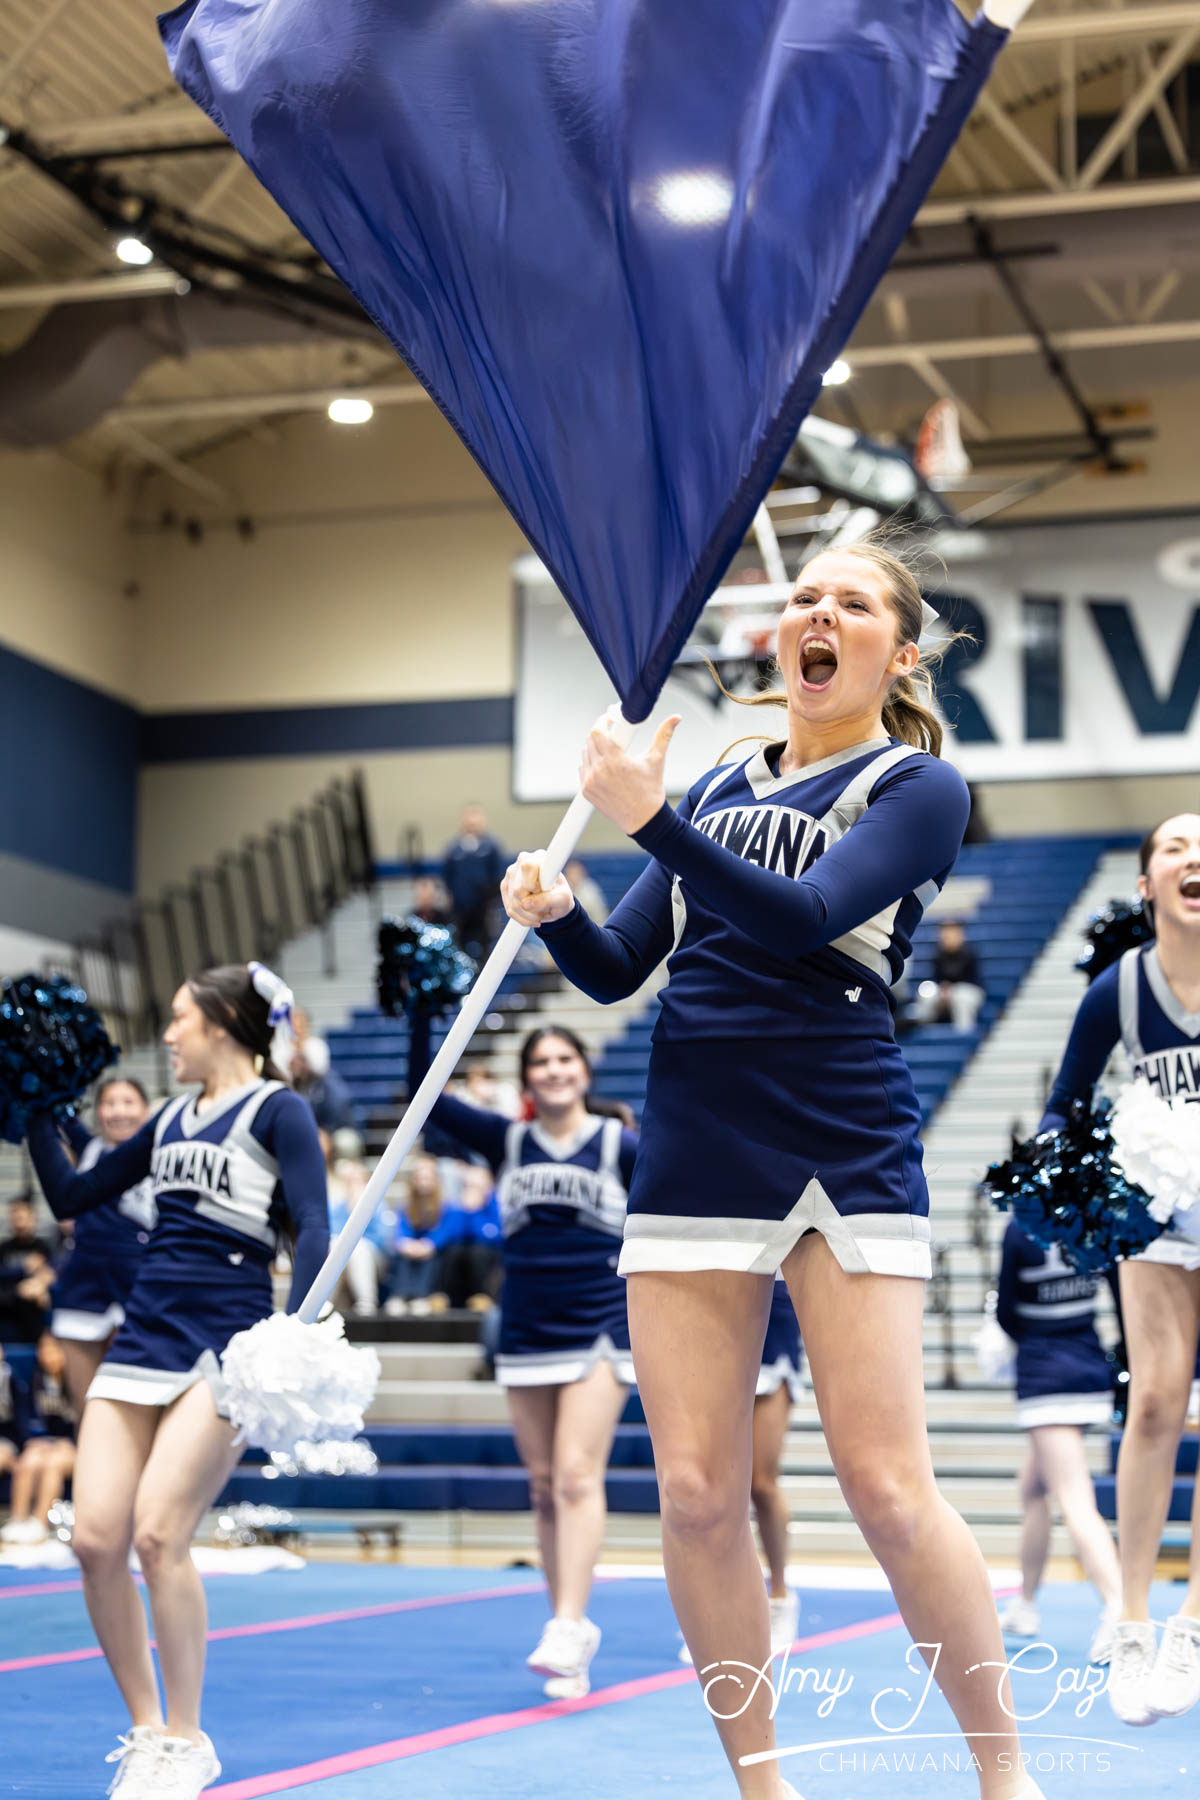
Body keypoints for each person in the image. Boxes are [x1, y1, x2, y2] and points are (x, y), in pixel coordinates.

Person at [502, 539, 1047, 1800]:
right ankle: (761, 1785)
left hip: (838, 1133)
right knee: (696, 1495)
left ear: (899, 653)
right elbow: (617, 970)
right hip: (695, 1135)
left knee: (886, 1489)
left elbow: (803, 922)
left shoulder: (920, 785)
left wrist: (652, 819)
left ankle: (1004, 1775)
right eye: (805, 596)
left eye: (853, 603)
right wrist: (558, 911)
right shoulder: (716, 784)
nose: (820, 613)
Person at [23, 962, 329, 1800]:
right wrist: (35, 1110)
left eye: (179, 1019)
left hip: (224, 1343)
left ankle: (190, 1739)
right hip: (144, 1335)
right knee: (94, 1541)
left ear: (222, 1024)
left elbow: (314, 1226)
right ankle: (149, 1730)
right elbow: (73, 1193)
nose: (167, 1036)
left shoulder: (278, 1110)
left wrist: (294, 1332)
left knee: (159, 1535)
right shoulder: (167, 1118)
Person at [409, 1009, 637, 1699]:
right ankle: (568, 1629)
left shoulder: (620, 1144)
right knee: (542, 1485)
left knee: (575, 1475)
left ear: (585, 1072)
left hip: (600, 1324)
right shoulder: (507, 1141)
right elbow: (426, 1095)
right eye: (541, 1062)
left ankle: (568, 1622)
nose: (554, 1071)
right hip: (528, 1326)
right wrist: (422, 1013)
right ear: (527, 1080)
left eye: (565, 1059)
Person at [1039, 812, 1200, 1727]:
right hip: (1158, 1213)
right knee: (1155, 1401)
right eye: (1174, 846)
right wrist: (1068, 1183)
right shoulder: (1121, 986)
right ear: (1147, 886)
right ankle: (1132, 1618)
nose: (1193, 856)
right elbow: (1065, 1104)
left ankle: (1193, 1626)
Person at [993, 1219, 1121, 1665]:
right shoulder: (1091, 1218)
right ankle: (1025, 1604)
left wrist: (1034, 1340)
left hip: (1046, 1374)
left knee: (1074, 1499)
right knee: (1033, 1487)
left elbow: (1006, 1310)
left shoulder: (1020, 1227)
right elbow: (1119, 1290)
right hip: (1088, 1365)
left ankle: (1119, 1609)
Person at [680, 1282, 804, 1666]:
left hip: (772, 1315)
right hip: (715, 1311)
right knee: (712, 1486)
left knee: (761, 1483)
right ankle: (715, 1613)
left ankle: (779, 1595)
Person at [50, 1077, 156, 1416]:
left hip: (140, 1292)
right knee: (85, 1410)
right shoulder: (90, 1149)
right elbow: (59, 1111)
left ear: (146, 1110)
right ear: (98, 1112)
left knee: (136, 1409)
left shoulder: (165, 1156)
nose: (118, 1111)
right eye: (109, 1103)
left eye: (128, 1102)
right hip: (84, 1289)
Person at [0, 1332, 77, 1545]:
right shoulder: (37, 1378)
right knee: (29, 1459)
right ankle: (18, 1520)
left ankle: (39, 1524)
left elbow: (86, 1423)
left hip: (76, 1446)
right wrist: (38, 1440)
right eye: (44, 1349)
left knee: (53, 1463)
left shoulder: (78, 1380)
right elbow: (31, 1421)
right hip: (50, 1442)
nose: (48, 1356)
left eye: (54, 1350)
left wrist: (70, 1443)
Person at [442, 803, 506, 959]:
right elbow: (447, 874)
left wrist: (492, 898)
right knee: (459, 941)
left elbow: (497, 874)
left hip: (484, 907)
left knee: (485, 943)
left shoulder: (491, 847)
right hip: (460, 906)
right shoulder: (454, 848)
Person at [0, 1195, 58, 1346]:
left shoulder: (42, 1247)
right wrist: (23, 1269)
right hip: (7, 1303)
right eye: (15, 1217)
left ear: (32, 1218)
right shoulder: (4, 1248)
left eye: (22, 1217)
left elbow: (51, 1274)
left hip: (32, 1309)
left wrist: (40, 1283)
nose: (19, 1223)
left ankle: (42, 1343)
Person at [917, 919, 986, 1030]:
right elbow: (935, 979)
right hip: (944, 992)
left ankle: (964, 1033)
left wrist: (952, 989)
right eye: (945, 933)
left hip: (968, 991)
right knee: (927, 996)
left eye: (952, 932)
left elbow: (974, 981)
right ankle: (924, 1032)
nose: (948, 936)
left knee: (961, 998)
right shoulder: (937, 954)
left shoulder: (970, 953)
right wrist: (944, 989)